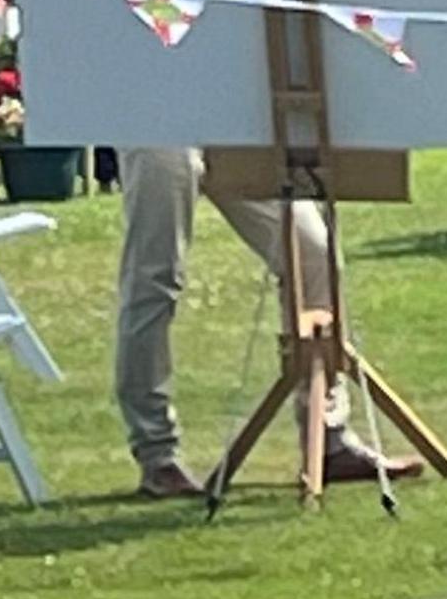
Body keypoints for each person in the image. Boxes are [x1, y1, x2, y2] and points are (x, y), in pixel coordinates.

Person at [111, 150, 420, 501]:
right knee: (155, 277)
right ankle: (157, 455)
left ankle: (327, 437)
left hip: (235, 121)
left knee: (313, 255)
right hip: (156, 120)